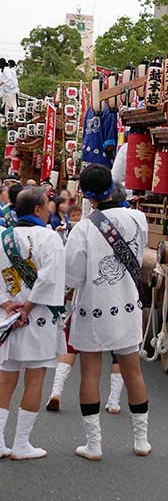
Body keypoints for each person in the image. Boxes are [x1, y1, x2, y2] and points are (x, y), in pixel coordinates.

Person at [65, 164, 150, 459]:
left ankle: (94, 445)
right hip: (127, 304)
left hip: (93, 307)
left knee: (90, 373)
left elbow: (72, 275)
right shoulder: (138, 218)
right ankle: (141, 440)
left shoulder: (83, 228)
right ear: (112, 187)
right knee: (133, 371)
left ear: (86, 194)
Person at [0, 186, 66, 459]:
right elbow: (49, 279)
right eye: (47, 205)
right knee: (35, 378)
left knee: (5, 380)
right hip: (38, 317)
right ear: (38, 209)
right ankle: (21, 444)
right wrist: (27, 307)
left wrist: (7, 305)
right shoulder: (50, 238)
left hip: (7, 319)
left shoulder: (3, 236)